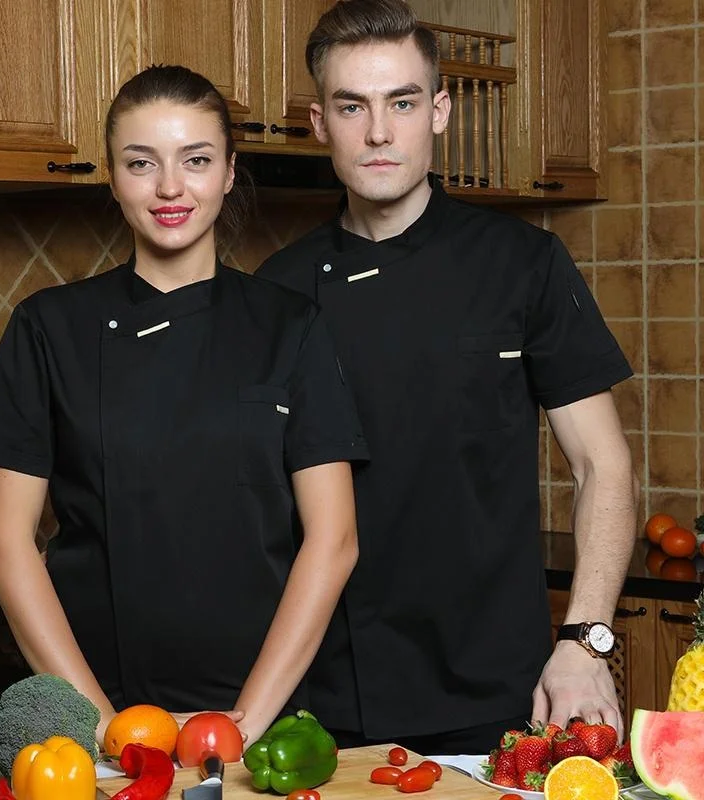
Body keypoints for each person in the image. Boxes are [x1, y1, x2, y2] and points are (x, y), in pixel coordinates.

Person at [257, 0, 637, 755]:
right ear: (317, 122)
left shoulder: (523, 264)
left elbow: (605, 464)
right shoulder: (277, 291)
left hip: (499, 688)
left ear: (438, 110)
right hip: (323, 697)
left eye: (400, 103)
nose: (377, 132)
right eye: (351, 106)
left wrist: (586, 644)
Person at [0, 64, 368, 748]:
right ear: (113, 178)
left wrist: (241, 723)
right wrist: (104, 726)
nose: (170, 187)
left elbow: (334, 541)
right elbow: (4, 544)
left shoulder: (291, 326)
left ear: (230, 172)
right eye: (141, 163)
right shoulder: (49, 328)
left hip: (262, 718)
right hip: (97, 711)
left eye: (196, 160)